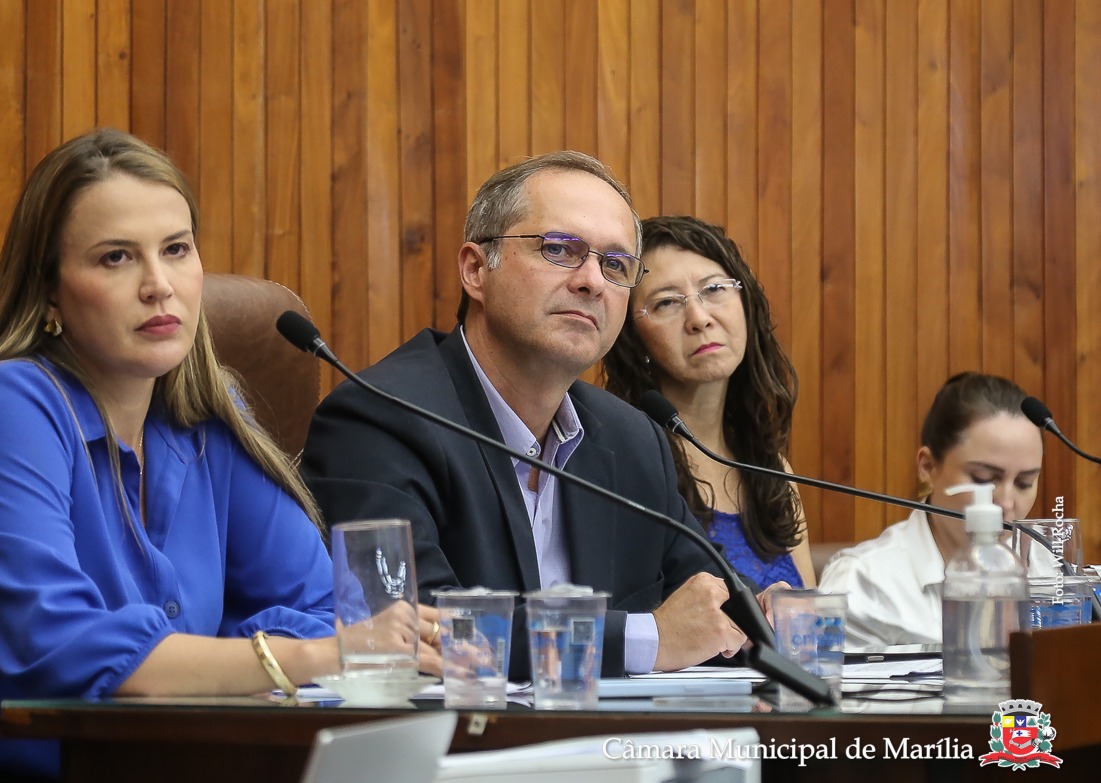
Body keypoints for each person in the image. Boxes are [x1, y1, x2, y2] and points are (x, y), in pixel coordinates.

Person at [0, 129, 440, 783]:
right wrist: (305, 658)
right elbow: (58, 646)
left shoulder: (208, 417)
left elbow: (324, 607)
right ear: (50, 292)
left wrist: (237, 651)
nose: (159, 285)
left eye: (176, 249)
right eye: (116, 258)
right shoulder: (5, 407)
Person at [303, 151, 776, 682]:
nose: (592, 281)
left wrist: (761, 615)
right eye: (559, 250)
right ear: (476, 270)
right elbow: (414, 632)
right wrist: (648, 638)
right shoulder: (378, 418)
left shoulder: (633, 439)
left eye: (616, 265)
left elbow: (710, 608)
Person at [602, 216, 813, 590]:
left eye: (714, 289)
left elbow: (808, 624)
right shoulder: (628, 466)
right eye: (667, 302)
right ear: (633, 339)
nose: (699, 318)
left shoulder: (774, 470)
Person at [817, 372, 1044, 650]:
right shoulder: (863, 582)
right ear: (927, 467)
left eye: (1025, 483)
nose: (1007, 502)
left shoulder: (1050, 569)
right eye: (984, 479)